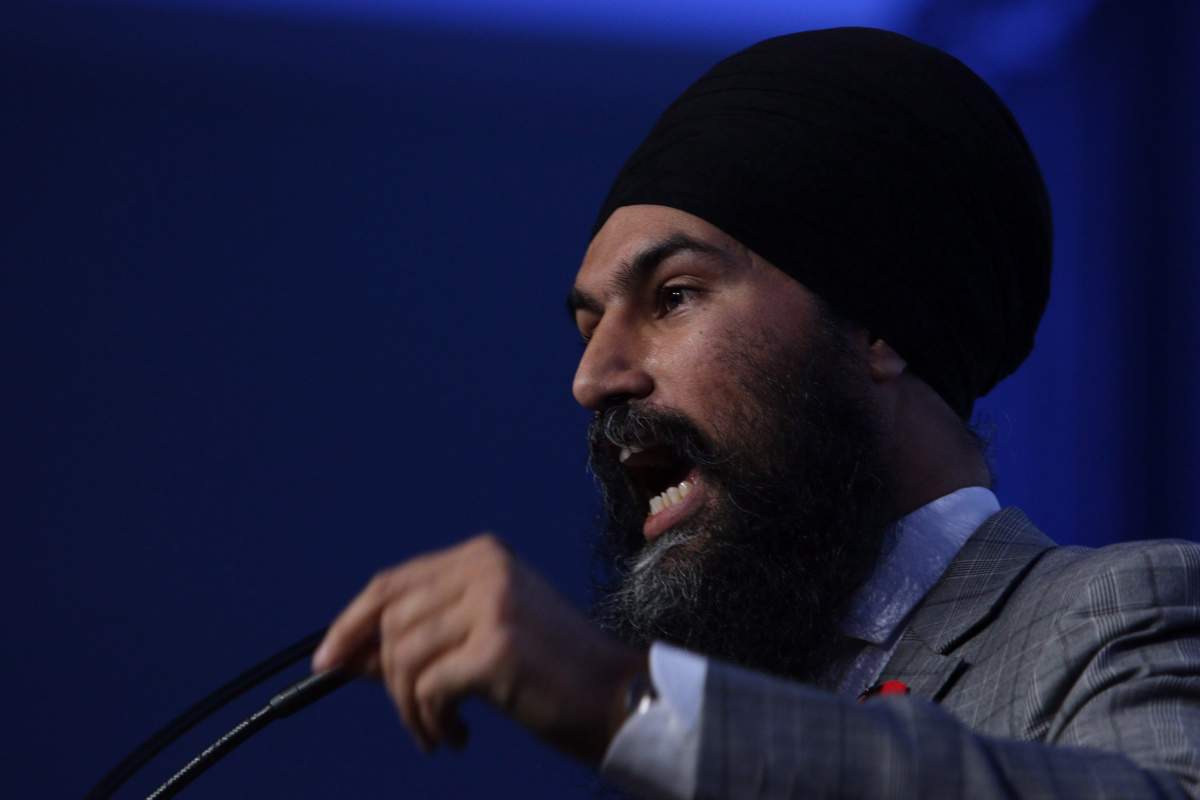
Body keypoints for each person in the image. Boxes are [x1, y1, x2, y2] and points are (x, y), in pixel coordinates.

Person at [310, 27, 1200, 798]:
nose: (592, 378)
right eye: (589, 328)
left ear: (877, 324)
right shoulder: (734, 705)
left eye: (675, 296)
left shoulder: (1112, 615)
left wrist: (616, 699)